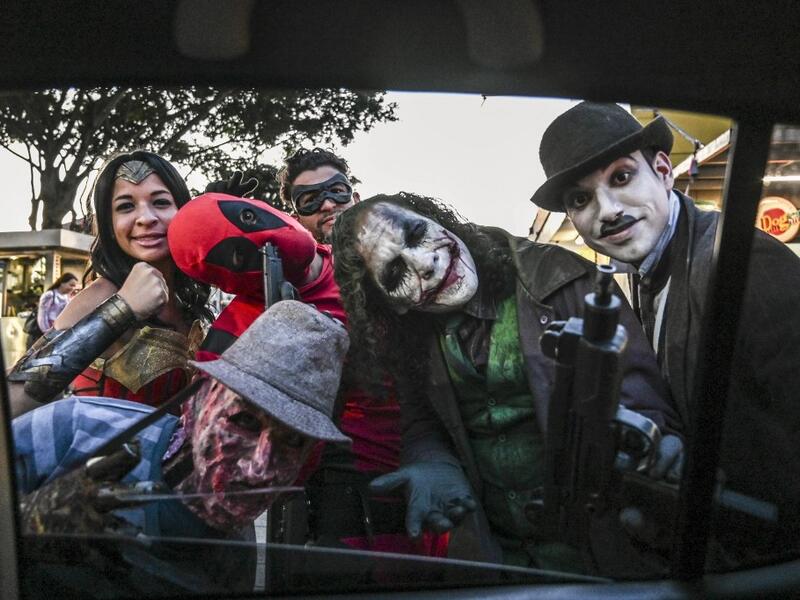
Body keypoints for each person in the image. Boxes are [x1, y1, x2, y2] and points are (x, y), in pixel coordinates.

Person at [330, 192, 682, 574]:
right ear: (391, 304)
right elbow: (422, 423)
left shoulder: (561, 277)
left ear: (440, 222)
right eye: (395, 273)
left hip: (600, 553)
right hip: (501, 558)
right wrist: (432, 462)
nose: (425, 263)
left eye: (416, 234)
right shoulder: (411, 340)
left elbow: (636, 393)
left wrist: (646, 446)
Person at [530, 101, 800, 567]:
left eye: (621, 177)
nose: (607, 211)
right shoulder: (647, 271)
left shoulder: (741, 264)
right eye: (580, 199)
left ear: (662, 170)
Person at [169, 149, 445, 557]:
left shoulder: (388, 265)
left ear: (356, 195)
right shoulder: (245, 316)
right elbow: (205, 422)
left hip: (428, 467)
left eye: (337, 191)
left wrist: (440, 456)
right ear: (294, 214)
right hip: (335, 501)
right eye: (310, 200)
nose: (328, 205)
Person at [15, 300, 351, 593]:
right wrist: (25, 520)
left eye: (292, 441)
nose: (259, 468)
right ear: (196, 400)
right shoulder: (75, 427)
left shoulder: (235, 561)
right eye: (244, 421)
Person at [8, 150, 212, 417]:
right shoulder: (101, 295)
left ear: (183, 211)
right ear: (109, 224)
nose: (146, 217)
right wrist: (121, 309)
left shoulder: (188, 299)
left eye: (161, 202)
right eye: (126, 206)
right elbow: (12, 401)